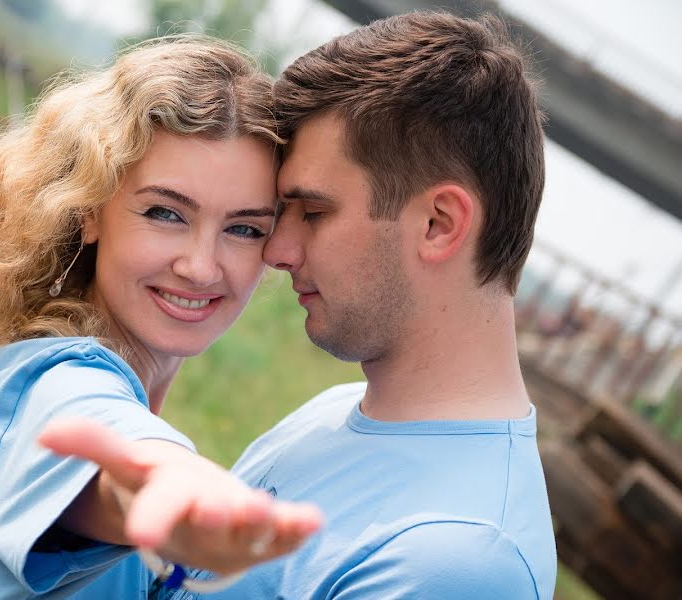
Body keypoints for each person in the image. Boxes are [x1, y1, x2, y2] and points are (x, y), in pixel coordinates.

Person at [40, 11, 558, 599]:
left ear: (439, 224)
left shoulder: (458, 560)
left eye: (313, 213)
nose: (278, 251)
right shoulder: (335, 414)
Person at [0, 37, 323, 599]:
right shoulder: (53, 384)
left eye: (243, 228)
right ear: (91, 210)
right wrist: (169, 490)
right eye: (165, 213)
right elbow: (112, 461)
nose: (199, 266)